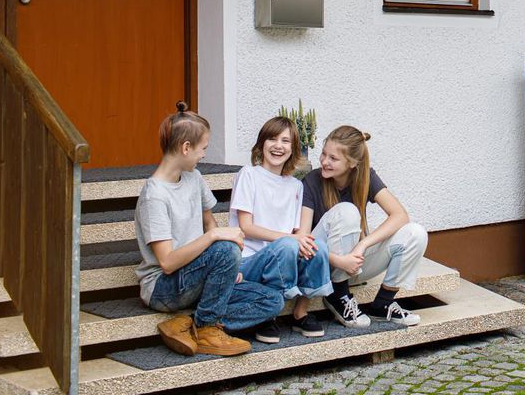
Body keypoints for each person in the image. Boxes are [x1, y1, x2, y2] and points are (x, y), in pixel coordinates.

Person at [135, 103, 283, 356]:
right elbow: (168, 262)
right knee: (225, 247)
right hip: (164, 287)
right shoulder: (154, 196)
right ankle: (206, 329)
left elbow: (209, 222)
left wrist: (227, 268)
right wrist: (216, 239)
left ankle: (188, 324)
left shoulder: (194, 178)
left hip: (198, 279)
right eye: (203, 148)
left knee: (272, 300)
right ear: (185, 148)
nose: (204, 155)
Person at [300, 126, 428, 327]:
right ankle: (338, 296)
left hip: (353, 263)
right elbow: (303, 238)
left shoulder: (366, 176)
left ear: (352, 163)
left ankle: (383, 304)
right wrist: (340, 261)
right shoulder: (312, 181)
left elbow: (400, 215)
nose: (324, 161)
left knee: (416, 234)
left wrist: (362, 245)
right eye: (323, 154)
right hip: (322, 263)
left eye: (333, 158)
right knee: (347, 211)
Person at [229, 116, 332, 343]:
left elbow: (297, 232)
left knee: (318, 247)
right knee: (287, 244)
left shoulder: (295, 185)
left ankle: (300, 313)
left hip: (283, 256)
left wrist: (300, 241)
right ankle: (267, 315)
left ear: (293, 148)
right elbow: (246, 227)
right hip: (249, 261)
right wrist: (289, 239)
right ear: (261, 144)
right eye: (272, 139)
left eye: (285, 141)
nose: (278, 146)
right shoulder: (249, 174)